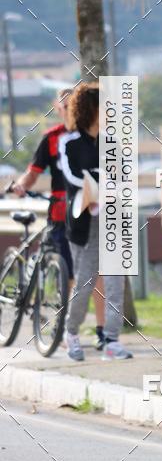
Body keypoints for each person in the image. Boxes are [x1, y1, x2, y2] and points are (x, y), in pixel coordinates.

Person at [12, 87, 107, 350]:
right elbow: (33, 172)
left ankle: (102, 331)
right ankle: (63, 328)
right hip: (61, 214)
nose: (70, 111)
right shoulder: (53, 138)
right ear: (58, 108)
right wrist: (21, 185)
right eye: (65, 107)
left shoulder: (98, 138)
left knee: (96, 273)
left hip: (92, 212)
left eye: (73, 105)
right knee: (67, 273)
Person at [58, 82, 132, 361]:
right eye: (105, 106)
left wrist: (106, 185)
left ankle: (111, 340)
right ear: (91, 109)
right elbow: (73, 177)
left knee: (115, 282)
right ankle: (71, 333)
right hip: (83, 223)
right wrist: (101, 182)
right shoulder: (69, 143)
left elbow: (123, 176)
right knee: (85, 282)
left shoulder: (113, 142)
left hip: (113, 219)